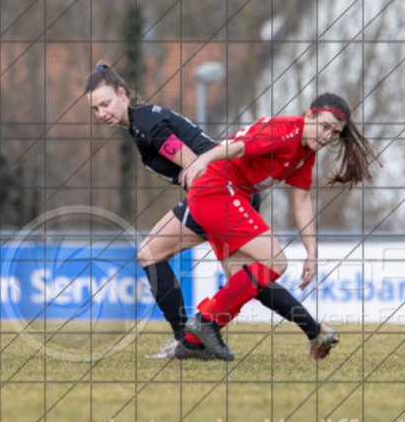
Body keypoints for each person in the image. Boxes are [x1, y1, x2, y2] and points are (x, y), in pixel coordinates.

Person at [84, 61, 332, 360]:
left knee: (151, 252)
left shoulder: (146, 125)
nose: (102, 113)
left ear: (123, 93)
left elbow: (195, 166)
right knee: (246, 276)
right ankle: (314, 331)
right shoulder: (143, 122)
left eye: (106, 103)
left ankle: (185, 340)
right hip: (229, 190)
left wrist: (211, 201)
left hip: (217, 190)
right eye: (96, 109)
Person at [180, 92, 381, 361]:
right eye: (324, 126)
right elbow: (239, 146)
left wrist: (312, 252)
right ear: (309, 115)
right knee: (275, 262)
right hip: (216, 190)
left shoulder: (305, 153)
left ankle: (191, 345)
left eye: (335, 132)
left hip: (225, 196)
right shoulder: (284, 131)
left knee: (246, 280)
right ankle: (205, 321)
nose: (328, 136)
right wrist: (205, 158)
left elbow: (302, 201)